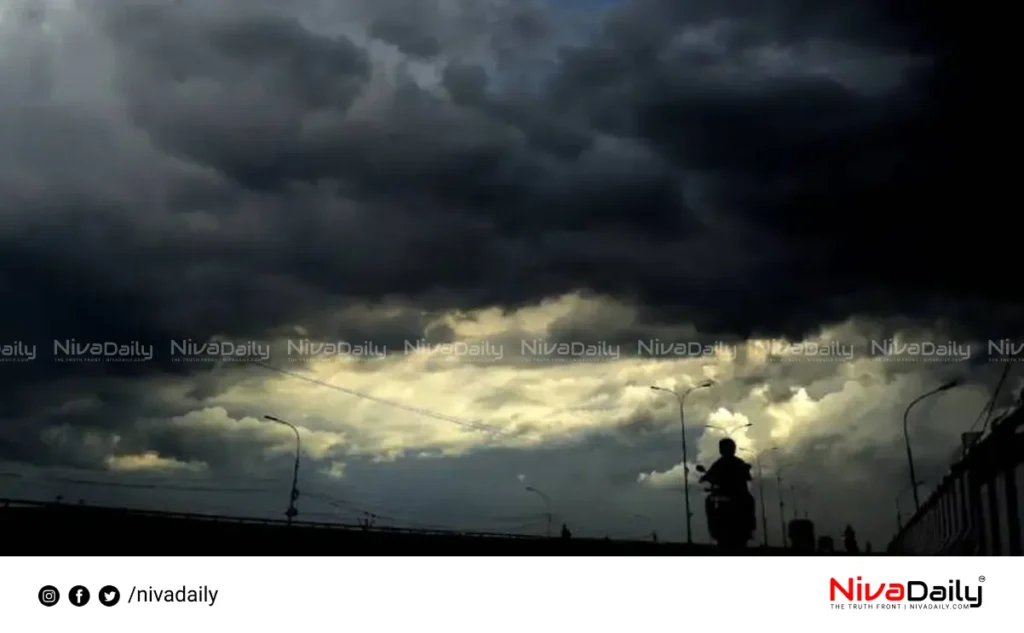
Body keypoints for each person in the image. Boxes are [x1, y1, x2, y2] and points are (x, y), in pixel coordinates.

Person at [700, 438, 756, 530]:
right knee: (749, 500)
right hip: (729, 494)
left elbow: (747, 477)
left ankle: (748, 527)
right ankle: (749, 528)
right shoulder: (722, 463)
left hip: (736, 494)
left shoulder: (728, 463)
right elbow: (707, 477)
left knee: (749, 500)